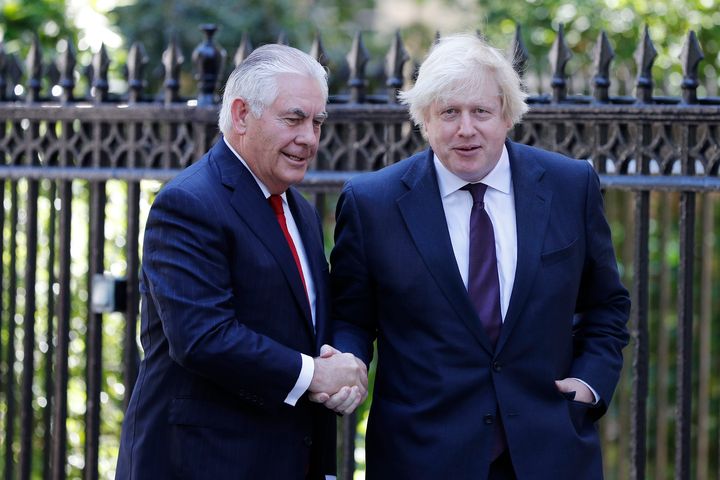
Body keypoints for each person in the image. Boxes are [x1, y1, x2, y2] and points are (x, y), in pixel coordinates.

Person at [326, 33, 630, 479]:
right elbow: (351, 317)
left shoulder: (570, 186)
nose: (466, 128)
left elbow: (606, 306)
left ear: (507, 115)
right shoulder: (372, 203)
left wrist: (589, 385)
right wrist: (348, 363)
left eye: (481, 112)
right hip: (421, 455)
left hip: (550, 451)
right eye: (449, 112)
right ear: (424, 120)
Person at [116, 43, 367, 480]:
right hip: (202, 462)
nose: (309, 137)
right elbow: (202, 336)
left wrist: (344, 367)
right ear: (241, 114)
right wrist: (315, 376)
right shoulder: (188, 203)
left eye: (317, 122)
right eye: (293, 118)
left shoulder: (300, 210)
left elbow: (308, 323)